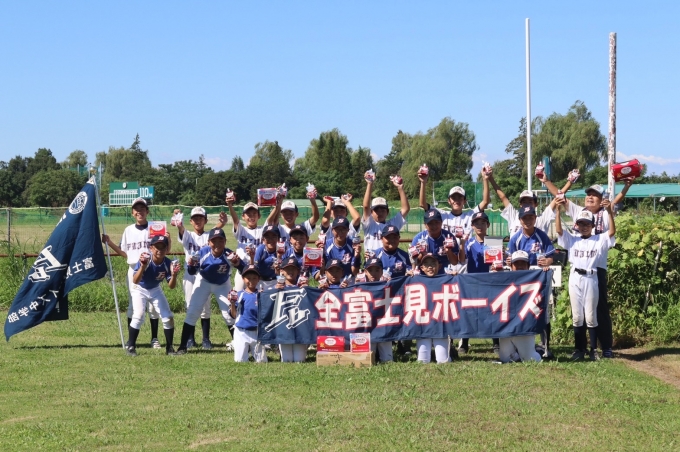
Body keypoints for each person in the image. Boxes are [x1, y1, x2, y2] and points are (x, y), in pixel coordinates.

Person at [557, 179, 634, 358]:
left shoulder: (606, 213)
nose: (590, 198)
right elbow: (560, 197)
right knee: (580, 310)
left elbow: (615, 207)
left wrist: (627, 186)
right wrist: (548, 182)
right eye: (588, 195)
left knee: (599, 309)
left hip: (597, 266)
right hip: (578, 267)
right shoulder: (579, 211)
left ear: (601, 199)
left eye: (595, 195)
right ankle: (581, 348)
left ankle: (604, 346)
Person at [102, 197, 168, 349]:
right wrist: (109, 242)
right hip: (134, 270)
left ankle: (154, 338)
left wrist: (168, 239)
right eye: (136, 209)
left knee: (153, 307)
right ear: (132, 213)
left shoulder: (155, 228)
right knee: (133, 305)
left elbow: (164, 250)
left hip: (152, 269)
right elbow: (124, 253)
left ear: (147, 211)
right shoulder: (128, 230)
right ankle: (131, 340)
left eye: (142, 209)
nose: (139, 212)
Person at [556, 199, 617, 361]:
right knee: (577, 316)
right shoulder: (573, 239)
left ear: (592, 225)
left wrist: (609, 212)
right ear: (576, 225)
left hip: (591, 277)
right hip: (575, 277)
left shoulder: (599, 239)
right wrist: (558, 212)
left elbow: (611, 232)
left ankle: (593, 349)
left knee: (590, 316)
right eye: (581, 223)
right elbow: (559, 231)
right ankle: (579, 349)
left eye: (587, 224)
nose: (584, 226)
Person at [176, 228, 242, 354]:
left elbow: (243, 268)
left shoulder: (229, 254)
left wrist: (238, 263)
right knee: (193, 312)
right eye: (214, 241)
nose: (217, 243)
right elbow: (191, 272)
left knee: (229, 315)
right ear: (208, 242)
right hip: (204, 282)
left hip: (222, 284)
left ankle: (241, 345)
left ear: (225, 241)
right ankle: (182, 346)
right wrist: (191, 265)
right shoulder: (202, 252)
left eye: (220, 240)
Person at [173, 206, 226, 350]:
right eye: (195, 218)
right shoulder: (188, 235)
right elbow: (181, 228)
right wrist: (177, 217)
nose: (197, 220)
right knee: (190, 305)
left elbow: (215, 232)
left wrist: (222, 224)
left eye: (200, 218)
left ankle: (206, 339)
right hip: (190, 274)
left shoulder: (209, 235)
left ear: (205, 220)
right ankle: (190, 339)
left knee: (205, 307)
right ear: (190, 221)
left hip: (205, 274)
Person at [126, 235, 179, 356]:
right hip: (139, 288)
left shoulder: (168, 263)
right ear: (151, 248)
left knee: (168, 317)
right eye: (157, 247)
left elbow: (171, 286)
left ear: (167, 249)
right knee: (139, 315)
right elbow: (135, 281)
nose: (160, 250)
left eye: (163, 247)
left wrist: (174, 275)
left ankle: (169, 348)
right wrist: (142, 267)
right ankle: (131, 346)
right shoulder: (146, 259)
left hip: (155, 289)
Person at [495, 251, 543, 364]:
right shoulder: (505, 278)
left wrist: (545, 271)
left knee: (530, 359)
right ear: (511, 266)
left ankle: (538, 351)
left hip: (524, 327)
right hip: (507, 327)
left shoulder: (534, 279)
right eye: (517, 263)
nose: (520, 266)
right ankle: (517, 353)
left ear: (528, 265)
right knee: (505, 359)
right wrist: (495, 273)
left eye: (523, 263)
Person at [226, 196, 279, 291]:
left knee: (256, 295)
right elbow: (236, 221)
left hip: (256, 270)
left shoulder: (262, 230)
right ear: (243, 217)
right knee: (239, 294)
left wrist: (278, 204)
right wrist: (230, 205)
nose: (251, 216)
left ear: (259, 216)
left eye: (254, 214)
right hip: (242, 267)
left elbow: (270, 219)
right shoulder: (242, 230)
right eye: (248, 214)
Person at [457, 211, 491, 354]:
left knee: (491, 311)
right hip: (472, 281)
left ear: (488, 225)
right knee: (469, 311)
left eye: (483, 223)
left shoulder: (493, 242)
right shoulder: (469, 242)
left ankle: (496, 342)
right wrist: (462, 244)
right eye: (476, 223)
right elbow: (461, 260)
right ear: (472, 226)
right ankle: (464, 342)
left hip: (489, 281)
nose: (480, 226)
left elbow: (498, 263)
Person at [415, 253, 451, 364]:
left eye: (433, 264)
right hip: (423, 326)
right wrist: (408, 276)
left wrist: (455, 277)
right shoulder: (415, 280)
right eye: (426, 264)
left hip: (440, 325)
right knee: (422, 361)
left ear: (439, 266)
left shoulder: (447, 279)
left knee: (443, 361)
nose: (430, 267)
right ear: (422, 268)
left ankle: (451, 351)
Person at [361, 172, 410, 252]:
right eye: (376, 210)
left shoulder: (392, 224)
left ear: (387, 212)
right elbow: (366, 206)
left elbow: (405, 209)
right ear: (371, 212)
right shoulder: (369, 224)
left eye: (383, 210)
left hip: (388, 259)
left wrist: (400, 188)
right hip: (372, 259)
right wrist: (369, 184)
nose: (380, 212)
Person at [229, 265, 267, 363]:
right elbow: (234, 315)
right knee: (240, 361)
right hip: (241, 331)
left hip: (257, 331)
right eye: (248, 278)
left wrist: (264, 298)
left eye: (254, 278)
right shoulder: (239, 294)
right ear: (243, 278)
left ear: (258, 279)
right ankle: (245, 352)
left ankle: (252, 352)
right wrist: (232, 303)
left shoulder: (261, 294)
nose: (251, 281)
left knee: (262, 361)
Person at [275, 257, 310, 362]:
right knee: (287, 360)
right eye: (287, 269)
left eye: (293, 269)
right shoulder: (277, 288)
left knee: (299, 360)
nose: (290, 271)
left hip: (300, 329)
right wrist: (275, 291)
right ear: (282, 271)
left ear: (298, 271)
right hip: (284, 329)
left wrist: (308, 290)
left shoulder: (302, 287)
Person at [411, 209, 462, 274]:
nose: (434, 226)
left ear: (441, 222)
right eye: (430, 223)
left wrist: (448, 251)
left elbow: (454, 262)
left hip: (443, 275)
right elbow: (414, 264)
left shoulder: (449, 237)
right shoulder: (419, 238)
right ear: (425, 224)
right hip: (424, 275)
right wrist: (422, 254)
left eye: (436, 222)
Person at [321, 217, 362, 281]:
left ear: (348, 230)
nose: (340, 232)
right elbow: (322, 272)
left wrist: (357, 256)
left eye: (343, 229)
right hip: (331, 281)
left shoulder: (353, 245)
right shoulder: (326, 245)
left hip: (348, 280)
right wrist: (320, 252)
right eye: (337, 229)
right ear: (332, 230)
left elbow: (355, 272)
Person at [250, 225, 286, 291]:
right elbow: (254, 268)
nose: (270, 239)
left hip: (276, 281)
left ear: (278, 239)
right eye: (267, 237)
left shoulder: (282, 250)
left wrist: (279, 257)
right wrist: (251, 258)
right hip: (261, 281)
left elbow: (282, 272)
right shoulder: (261, 249)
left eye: (274, 236)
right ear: (263, 239)